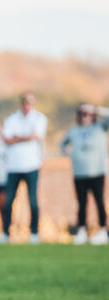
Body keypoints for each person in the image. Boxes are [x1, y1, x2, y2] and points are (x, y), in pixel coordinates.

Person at [1, 92, 47, 244]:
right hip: (13, 166)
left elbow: (35, 136)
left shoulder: (39, 118)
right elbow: (6, 138)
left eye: (30, 102)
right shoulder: (12, 118)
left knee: (33, 201)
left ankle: (34, 233)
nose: (27, 105)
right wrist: (24, 137)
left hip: (31, 165)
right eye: (24, 102)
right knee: (8, 201)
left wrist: (17, 137)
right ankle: (6, 233)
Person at [60, 104, 108, 245]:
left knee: (99, 201)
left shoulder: (100, 128)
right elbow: (62, 145)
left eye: (87, 113)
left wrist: (97, 109)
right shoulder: (74, 131)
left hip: (97, 172)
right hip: (80, 173)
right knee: (81, 203)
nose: (84, 116)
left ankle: (103, 230)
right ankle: (81, 230)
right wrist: (68, 154)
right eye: (81, 113)